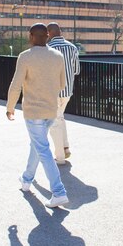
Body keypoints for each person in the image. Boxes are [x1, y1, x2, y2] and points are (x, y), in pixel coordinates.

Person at [6, 23, 69, 208]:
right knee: (37, 144)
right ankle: (26, 180)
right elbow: (62, 84)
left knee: (42, 148)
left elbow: (16, 84)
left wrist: (10, 106)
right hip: (51, 109)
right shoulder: (57, 56)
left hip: (33, 111)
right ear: (48, 36)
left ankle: (59, 192)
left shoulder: (25, 57)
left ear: (31, 36)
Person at [47, 22, 80, 165]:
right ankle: (65, 148)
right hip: (67, 91)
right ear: (60, 31)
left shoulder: (48, 49)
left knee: (54, 122)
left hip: (53, 91)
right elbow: (77, 70)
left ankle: (60, 157)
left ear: (48, 33)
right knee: (60, 117)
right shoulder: (72, 47)